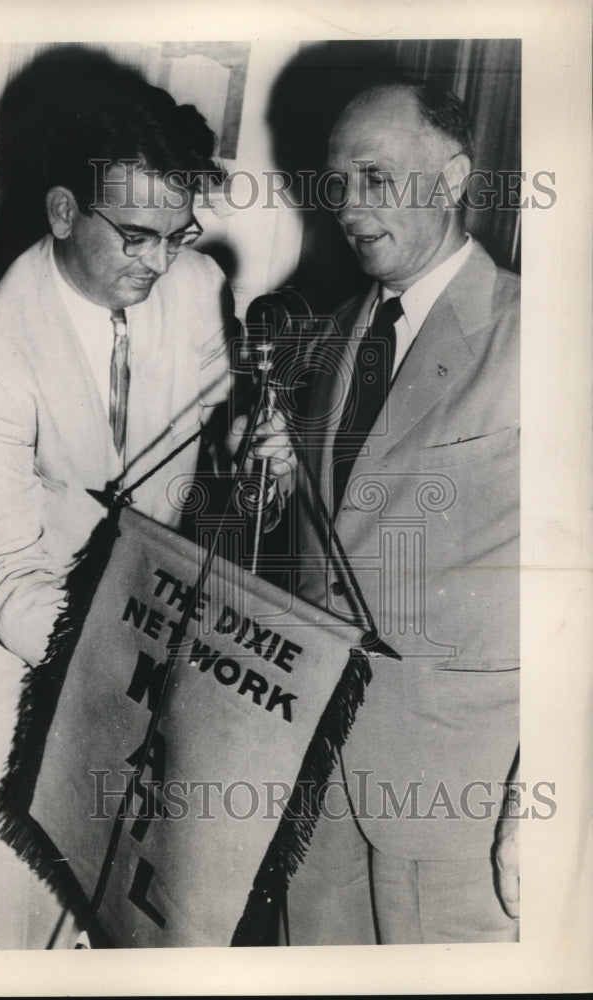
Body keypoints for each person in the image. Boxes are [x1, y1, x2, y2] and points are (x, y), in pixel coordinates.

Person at [0, 77, 292, 949]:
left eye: (177, 235)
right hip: (29, 667)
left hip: (149, 658)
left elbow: (216, 455)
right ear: (65, 211)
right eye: (137, 237)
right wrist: (121, 673)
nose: (159, 261)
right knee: (26, 922)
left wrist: (261, 463)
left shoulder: (189, 285)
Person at [286, 81, 520, 944]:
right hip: (315, 774)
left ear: (452, 176)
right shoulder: (337, 332)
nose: (348, 206)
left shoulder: (543, 333)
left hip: (463, 798)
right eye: (336, 182)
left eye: (375, 178)